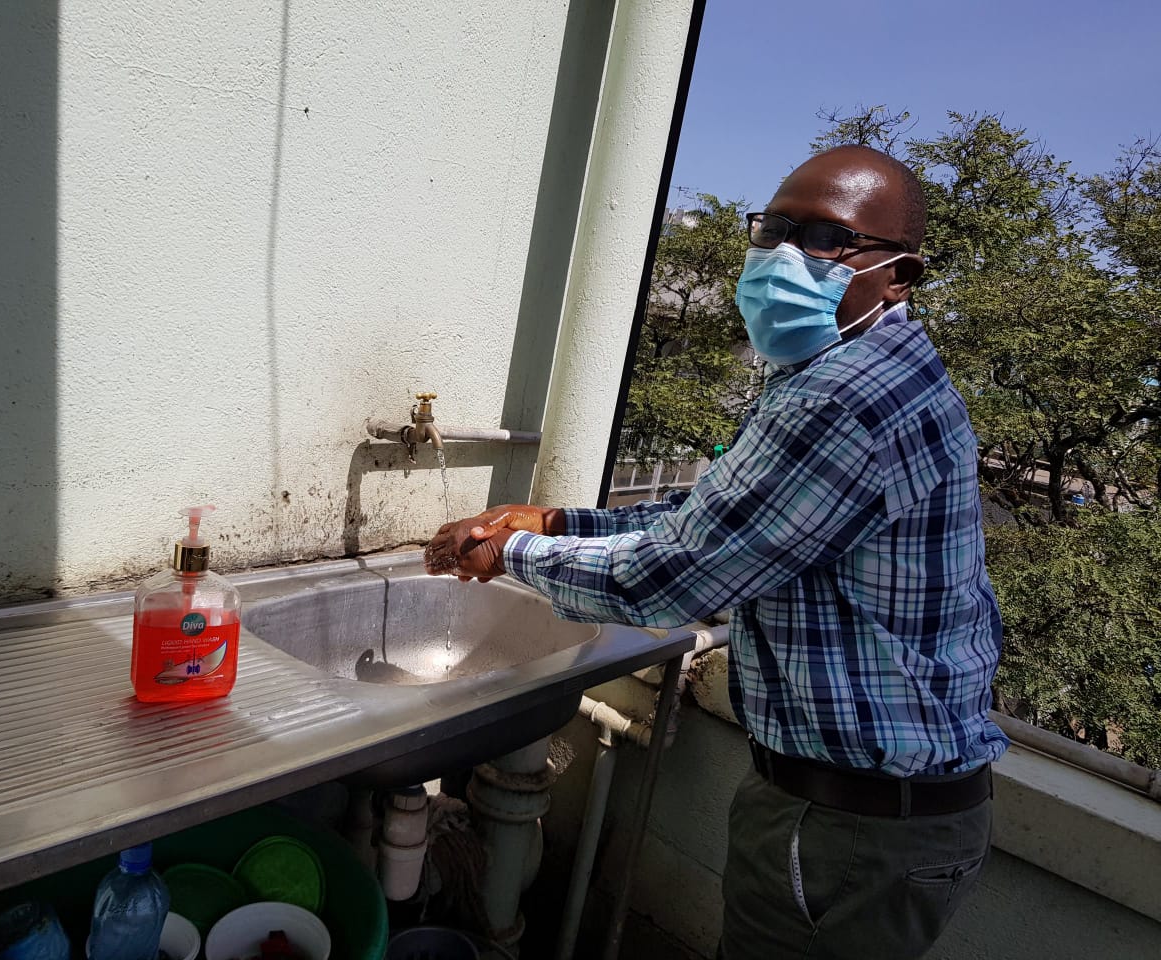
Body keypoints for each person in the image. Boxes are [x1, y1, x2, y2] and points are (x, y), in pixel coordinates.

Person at [423, 145, 1008, 960]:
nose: (782, 254)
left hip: (853, 828)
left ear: (899, 275)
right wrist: (556, 522)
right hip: (867, 813)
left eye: (826, 238)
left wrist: (508, 554)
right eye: (774, 227)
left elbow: (671, 579)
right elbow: (715, 514)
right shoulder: (837, 369)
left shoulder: (850, 398)